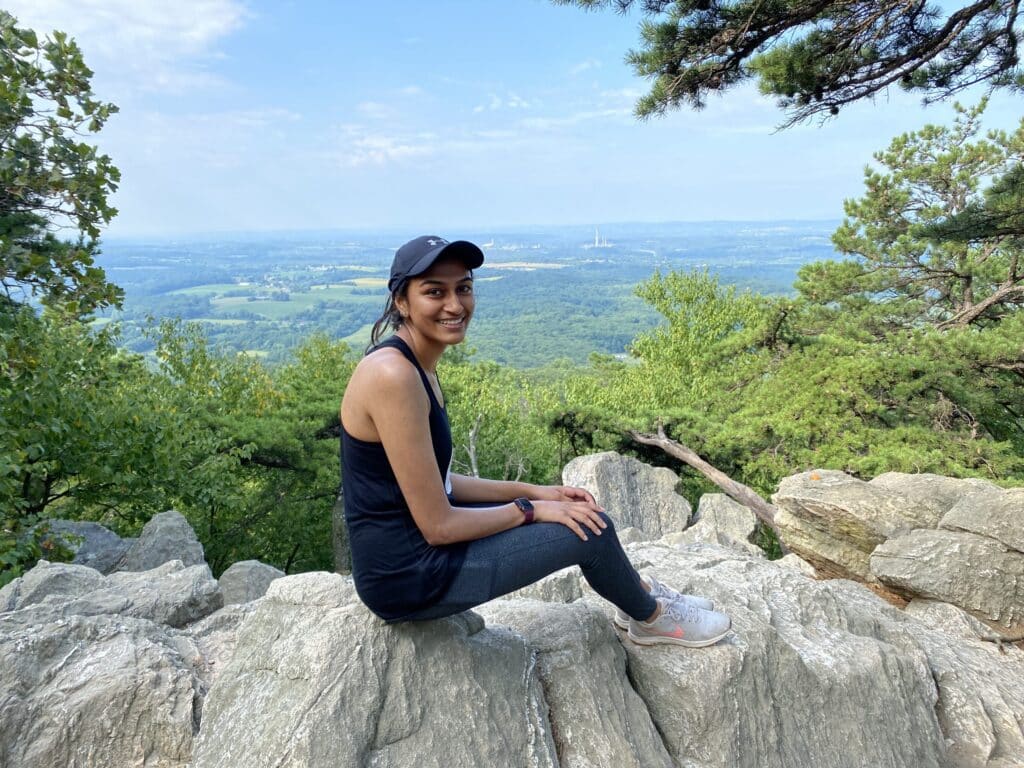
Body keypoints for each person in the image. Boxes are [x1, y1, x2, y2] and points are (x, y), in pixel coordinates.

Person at [339, 235, 732, 647]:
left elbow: (442, 482)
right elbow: (438, 525)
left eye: (464, 288)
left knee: (573, 509)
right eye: (435, 291)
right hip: (409, 578)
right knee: (590, 532)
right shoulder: (393, 376)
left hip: (421, 558)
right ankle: (652, 620)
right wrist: (530, 510)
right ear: (401, 301)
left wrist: (537, 491)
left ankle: (640, 592)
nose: (455, 305)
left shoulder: (415, 365)